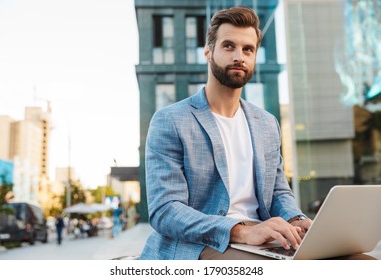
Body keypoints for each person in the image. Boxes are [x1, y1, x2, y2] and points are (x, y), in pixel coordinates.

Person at [140, 6, 375, 260]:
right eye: (228, 46)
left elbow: (278, 192)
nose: (239, 56)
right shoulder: (171, 120)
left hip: (264, 239)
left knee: (363, 262)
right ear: (208, 52)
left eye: (247, 49)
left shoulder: (266, 123)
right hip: (200, 244)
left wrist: (297, 220)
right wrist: (241, 231)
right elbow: (166, 211)